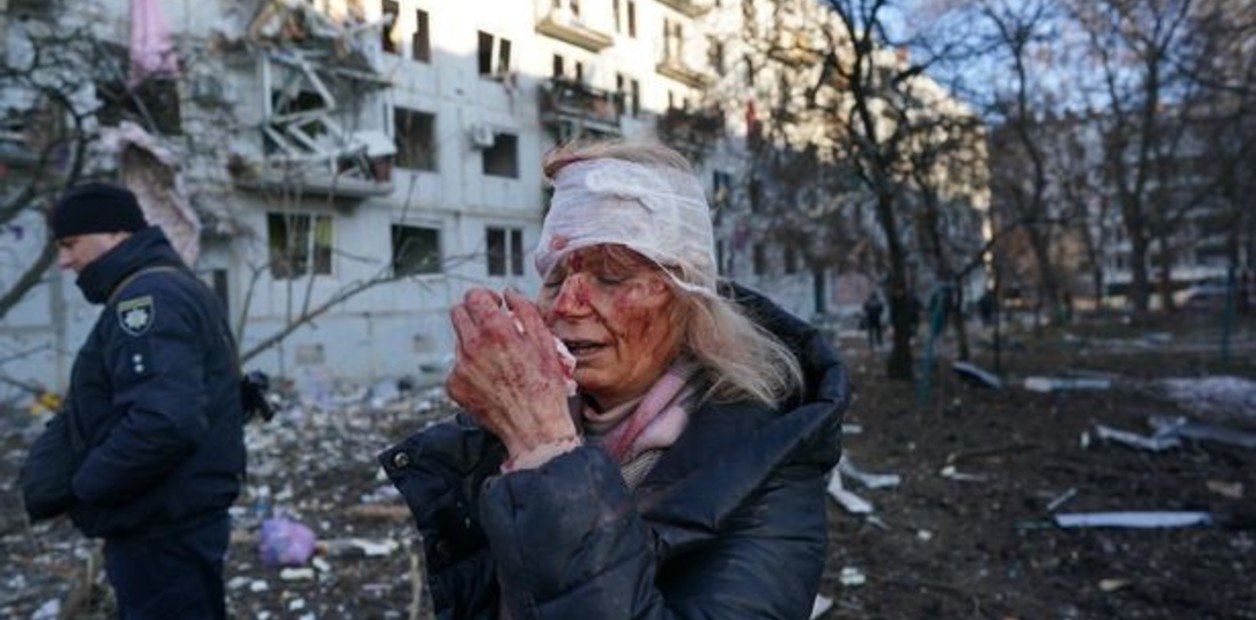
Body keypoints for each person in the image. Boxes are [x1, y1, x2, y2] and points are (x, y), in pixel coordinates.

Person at [379, 140, 850, 619]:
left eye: (610, 278)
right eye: (555, 278)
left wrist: (546, 453)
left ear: (689, 305)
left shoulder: (770, 462)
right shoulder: (518, 426)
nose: (566, 305)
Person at [24, 182, 245, 619]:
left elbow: (164, 422)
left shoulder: (148, 300)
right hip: (172, 522)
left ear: (116, 235)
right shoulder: (168, 286)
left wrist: (86, 487)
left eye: (70, 245)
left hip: (161, 530)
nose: (65, 261)